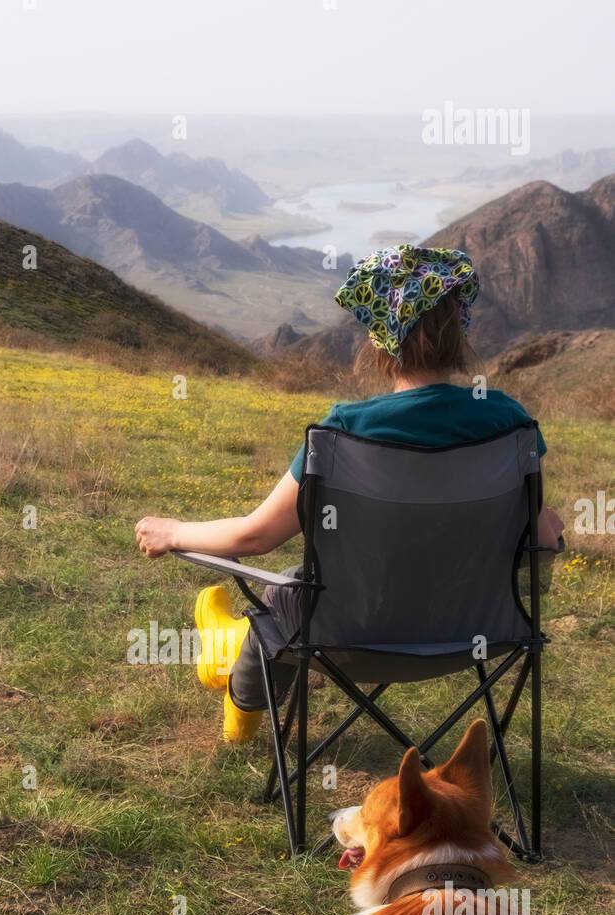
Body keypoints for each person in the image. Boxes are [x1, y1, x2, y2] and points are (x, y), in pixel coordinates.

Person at [135, 245, 564, 743]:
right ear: (459, 333)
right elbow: (539, 534)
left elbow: (254, 537)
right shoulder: (511, 423)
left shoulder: (346, 430)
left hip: (347, 633)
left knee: (282, 596)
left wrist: (173, 532)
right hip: (480, 631)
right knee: (290, 598)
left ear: (379, 344)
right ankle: (226, 641)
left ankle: (239, 708)